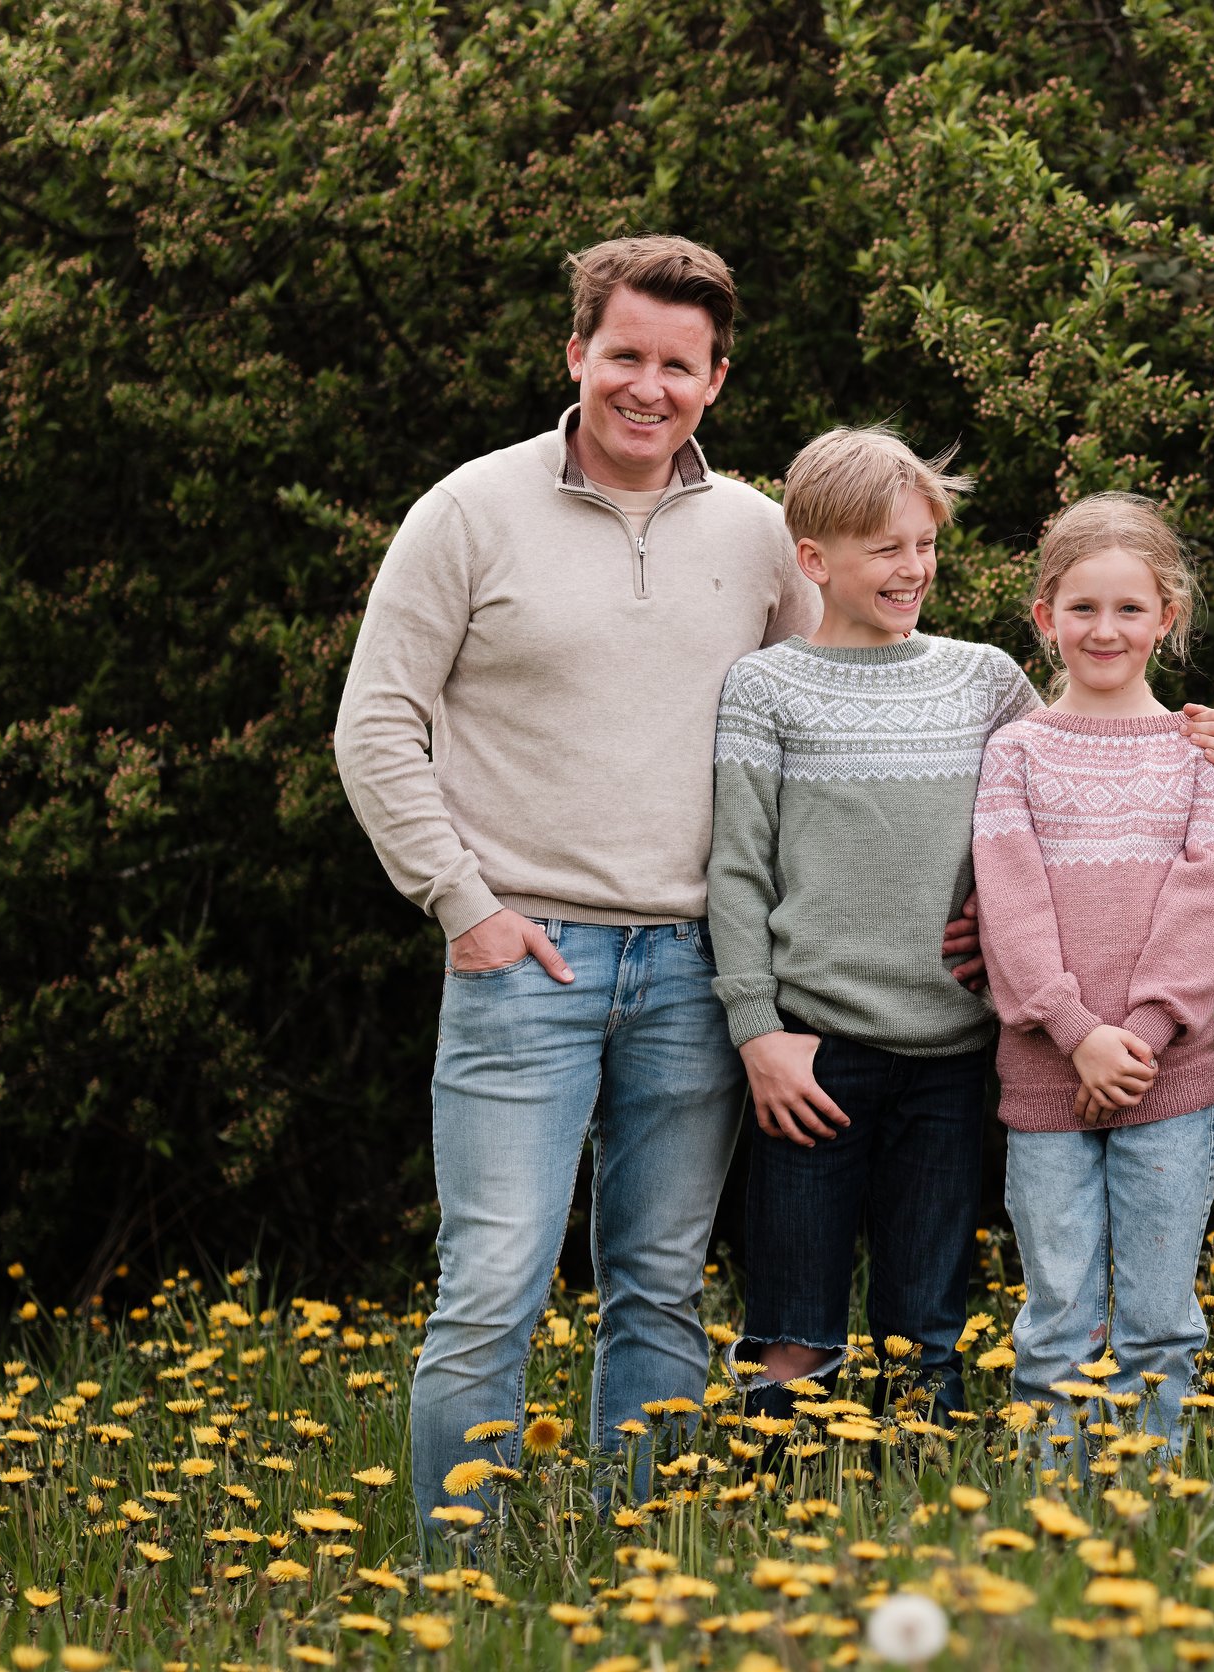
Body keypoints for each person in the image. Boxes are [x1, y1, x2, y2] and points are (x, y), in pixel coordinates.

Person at [335, 235, 838, 1528]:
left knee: (661, 1284)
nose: (647, 387)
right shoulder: (467, 512)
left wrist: (1122, 726)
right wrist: (465, 904)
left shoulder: (763, 533)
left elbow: (832, 713)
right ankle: (459, 1574)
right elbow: (377, 723)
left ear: (717, 380)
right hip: (523, 958)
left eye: (679, 365)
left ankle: (636, 1562)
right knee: (493, 1282)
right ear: (576, 354)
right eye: (625, 355)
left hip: (694, 964)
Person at [708, 447, 1214, 1428]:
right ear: (813, 558)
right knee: (793, 1311)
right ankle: (774, 1497)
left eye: (925, 544)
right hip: (812, 1043)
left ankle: (919, 1490)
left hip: (954, 1045)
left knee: (925, 1310)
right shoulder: (764, 687)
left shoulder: (983, 681)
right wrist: (756, 1028)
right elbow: (740, 868)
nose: (913, 566)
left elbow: (1087, 778)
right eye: (886, 547)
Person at [968, 493, 1214, 1445]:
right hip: (1047, 1074)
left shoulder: (1201, 754)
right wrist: (1078, 1034)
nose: (1105, 629)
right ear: (1045, 615)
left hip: (1170, 1082)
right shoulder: (1016, 753)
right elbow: (1009, 905)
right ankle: (1053, 1510)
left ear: (1166, 618)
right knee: (1056, 1319)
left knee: (1160, 1323)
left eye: (1130, 609)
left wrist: (1142, 1036)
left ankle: (1153, 1505)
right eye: (1082, 607)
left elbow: (1208, 905)